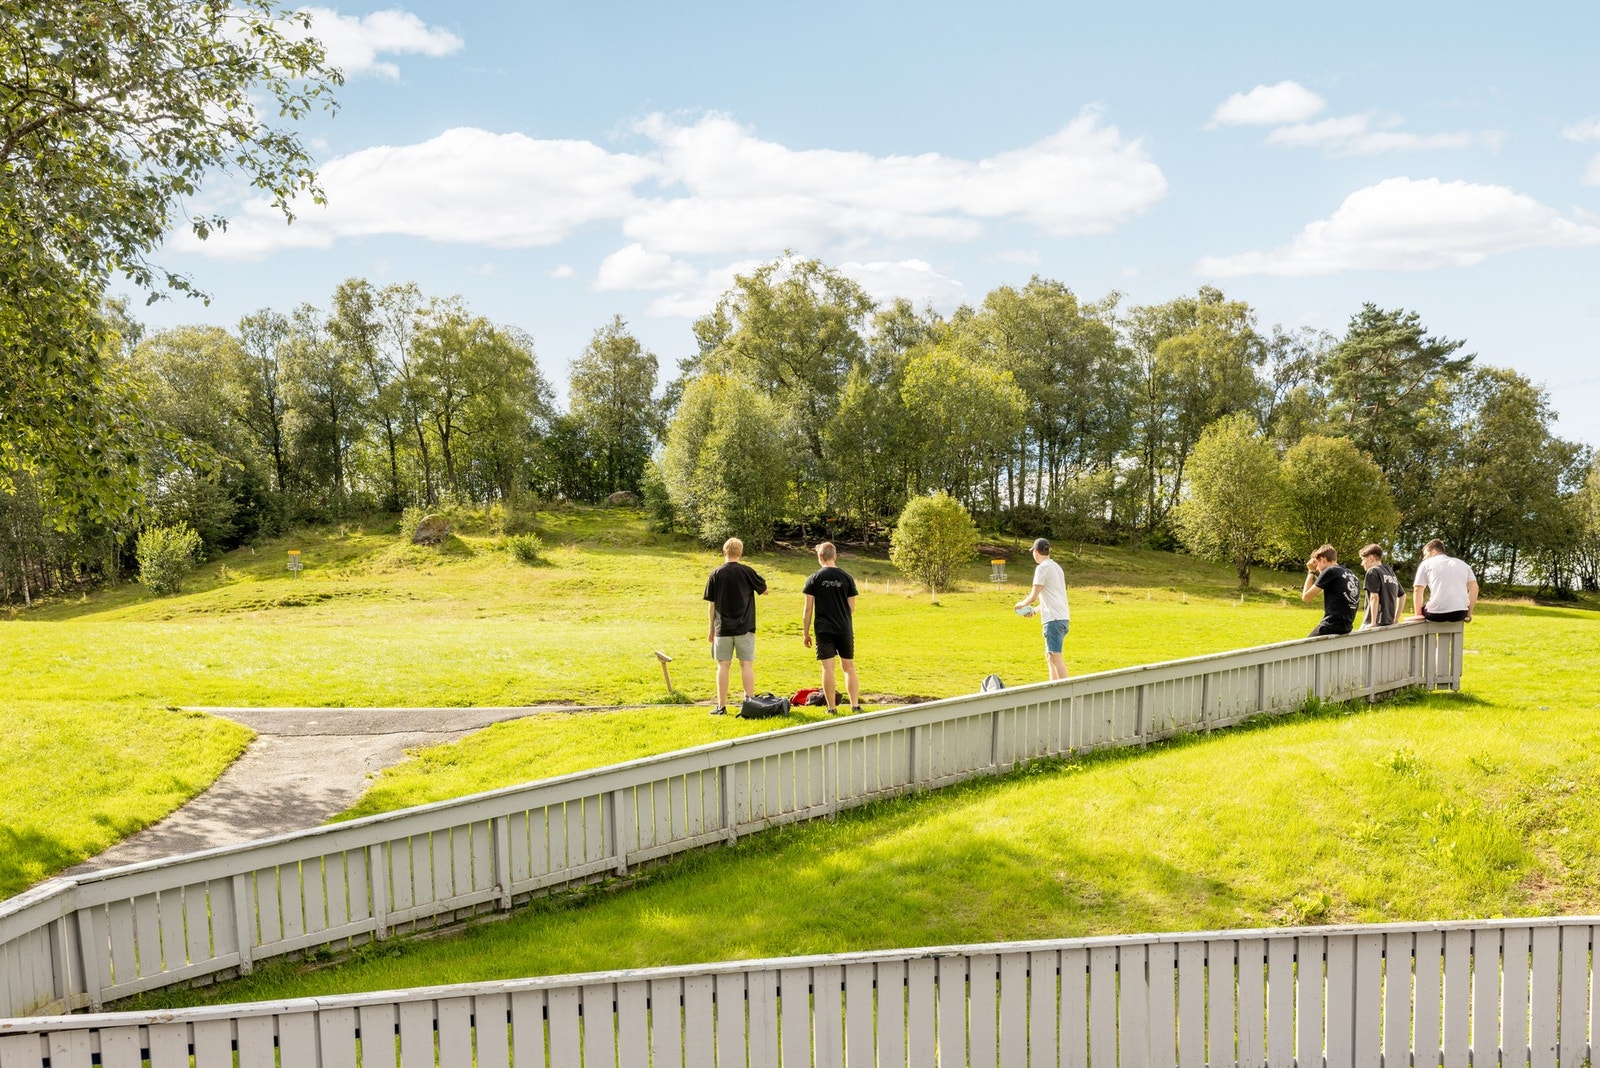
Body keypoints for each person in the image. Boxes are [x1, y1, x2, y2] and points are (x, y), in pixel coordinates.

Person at [703, 537, 767, 715]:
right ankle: (750, 706)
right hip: (745, 627)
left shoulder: (716, 573)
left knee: (723, 666)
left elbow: (711, 605)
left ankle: (721, 706)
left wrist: (711, 629)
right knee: (746, 665)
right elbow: (766, 590)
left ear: (725, 552)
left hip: (722, 628)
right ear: (740, 553)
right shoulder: (747, 571)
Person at [801, 541, 860, 714]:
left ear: (820, 557)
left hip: (823, 629)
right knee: (848, 666)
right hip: (844, 628)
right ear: (835, 556)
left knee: (828, 668)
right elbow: (852, 607)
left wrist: (805, 633)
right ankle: (855, 705)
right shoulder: (846, 577)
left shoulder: (814, 578)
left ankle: (832, 708)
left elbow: (808, 608)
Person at [1014, 537, 1070, 680]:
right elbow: (1051, 598)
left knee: (1055, 656)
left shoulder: (1042, 568)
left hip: (1053, 619)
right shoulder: (1057, 567)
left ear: (1036, 551)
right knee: (1049, 656)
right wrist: (1034, 611)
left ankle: (1065, 691)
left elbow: (1034, 596)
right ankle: (1053, 690)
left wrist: (1020, 605)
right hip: (1062, 617)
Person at [1300, 544, 1360, 636]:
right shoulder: (1351, 574)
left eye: (1317, 564)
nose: (1317, 568)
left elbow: (1306, 597)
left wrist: (1311, 571)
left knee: (1304, 648)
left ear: (1323, 560)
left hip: (1331, 626)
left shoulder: (1330, 571)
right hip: (1347, 627)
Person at [1412, 538, 1478, 622]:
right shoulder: (1463, 564)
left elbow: (1418, 589)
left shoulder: (1426, 564)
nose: (1424, 558)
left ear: (1433, 552)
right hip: (1460, 613)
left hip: (1436, 614)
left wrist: (1418, 615)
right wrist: (1468, 614)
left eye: (1425, 555)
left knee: (1427, 607)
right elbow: (1474, 588)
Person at [1356, 543, 1404, 628]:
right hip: (1388, 622)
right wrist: (1396, 618)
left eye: (1363, 559)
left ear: (1371, 558)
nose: (1362, 564)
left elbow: (1374, 597)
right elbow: (1402, 595)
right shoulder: (1389, 571)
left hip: (1373, 623)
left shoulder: (1372, 571)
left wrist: (1373, 622)